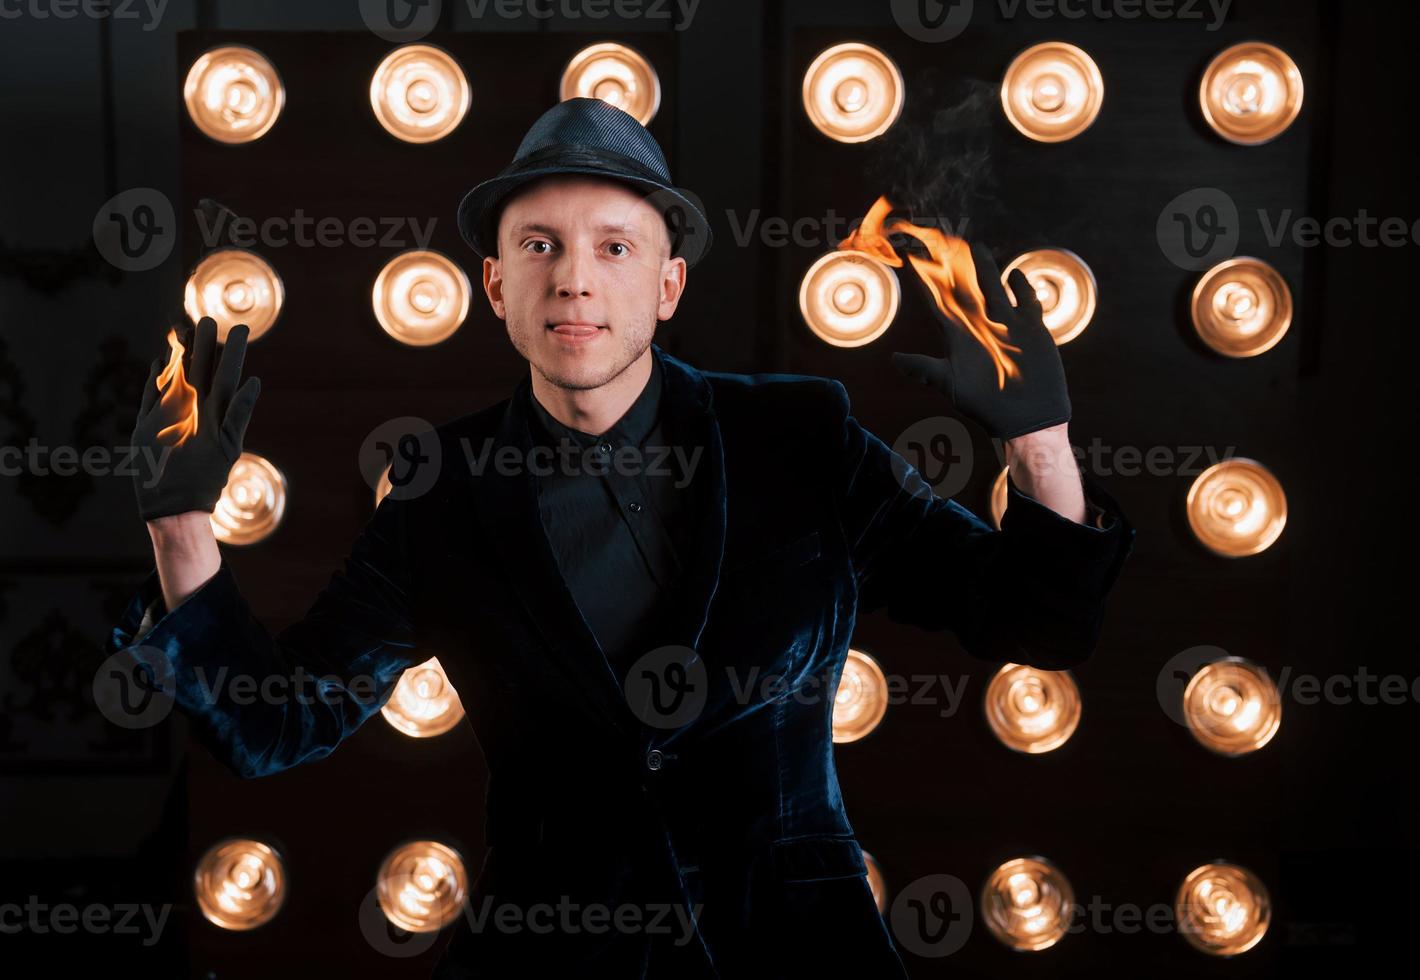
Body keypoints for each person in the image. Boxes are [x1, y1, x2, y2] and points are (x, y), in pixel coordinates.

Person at [107, 97, 1135, 978]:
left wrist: (1040, 448)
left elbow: (1034, 622)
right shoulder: (439, 489)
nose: (575, 279)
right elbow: (273, 724)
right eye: (538, 246)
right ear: (497, 286)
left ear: (668, 284)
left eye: (613, 246)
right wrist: (179, 525)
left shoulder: (800, 438)